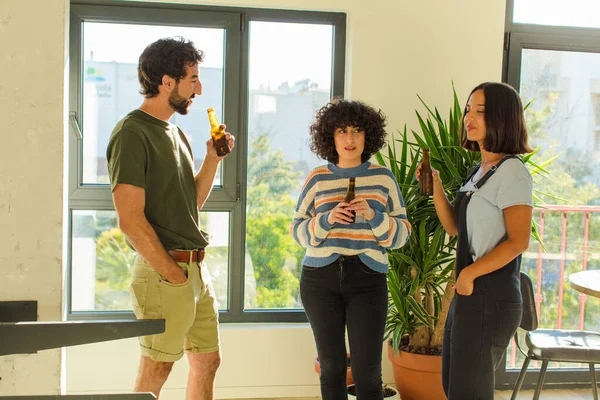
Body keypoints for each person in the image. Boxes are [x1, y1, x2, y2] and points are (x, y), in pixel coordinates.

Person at [106, 37, 234, 399]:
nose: (199, 88)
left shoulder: (176, 133)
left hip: (195, 270)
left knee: (208, 362)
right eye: (192, 78)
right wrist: (173, 275)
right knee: (157, 368)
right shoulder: (132, 133)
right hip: (166, 273)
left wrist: (212, 159)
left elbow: (189, 203)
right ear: (167, 82)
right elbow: (130, 219)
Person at [417, 82, 533, 399]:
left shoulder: (512, 172)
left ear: (502, 118)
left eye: (480, 111)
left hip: (491, 296)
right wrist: (436, 184)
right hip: (469, 294)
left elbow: (518, 241)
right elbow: (454, 227)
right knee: (454, 386)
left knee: (469, 392)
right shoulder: (478, 171)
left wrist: (468, 274)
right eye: (468, 109)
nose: (469, 117)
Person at [290, 99, 411, 400]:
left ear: (368, 135)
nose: (350, 138)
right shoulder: (318, 178)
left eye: (357, 131)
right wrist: (326, 220)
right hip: (319, 280)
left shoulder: (383, 178)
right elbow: (297, 230)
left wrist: (373, 216)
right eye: (342, 131)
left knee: (368, 373)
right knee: (331, 369)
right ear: (330, 136)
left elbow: (402, 234)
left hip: (368, 278)